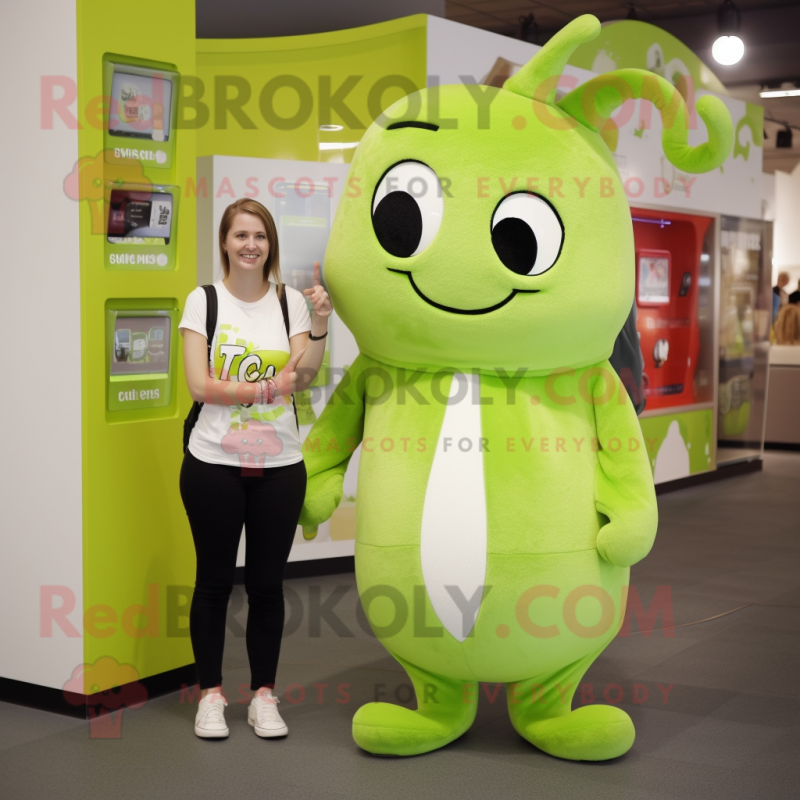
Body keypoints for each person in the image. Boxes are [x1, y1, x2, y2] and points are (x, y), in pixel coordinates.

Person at [178, 197, 332, 739]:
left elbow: (306, 375)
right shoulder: (204, 302)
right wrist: (268, 386)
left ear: (271, 244)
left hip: (280, 464)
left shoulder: (290, 303)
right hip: (213, 461)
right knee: (214, 583)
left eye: (260, 236)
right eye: (241, 235)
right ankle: (211, 696)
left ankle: (263, 696)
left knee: (268, 585)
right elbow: (200, 386)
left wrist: (318, 325)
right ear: (225, 242)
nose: (251, 245)